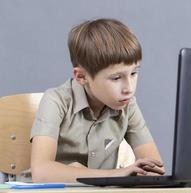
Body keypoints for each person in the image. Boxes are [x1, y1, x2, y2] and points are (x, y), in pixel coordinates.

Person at [30, 18, 165, 183]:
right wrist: (115, 175)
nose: (129, 88)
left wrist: (145, 173)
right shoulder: (56, 101)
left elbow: (155, 169)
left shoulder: (128, 105)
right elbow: (41, 172)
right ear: (81, 76)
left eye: (134, 73)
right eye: (116, 78)